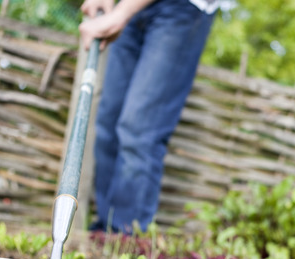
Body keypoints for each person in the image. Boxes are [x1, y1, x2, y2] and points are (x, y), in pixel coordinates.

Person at [79, 0, 218, 234]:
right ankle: (104, 231)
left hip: (183, 8)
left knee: (139, 131)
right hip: (133, 6)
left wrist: (121, 13)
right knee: (108, 125)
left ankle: (124, 238)